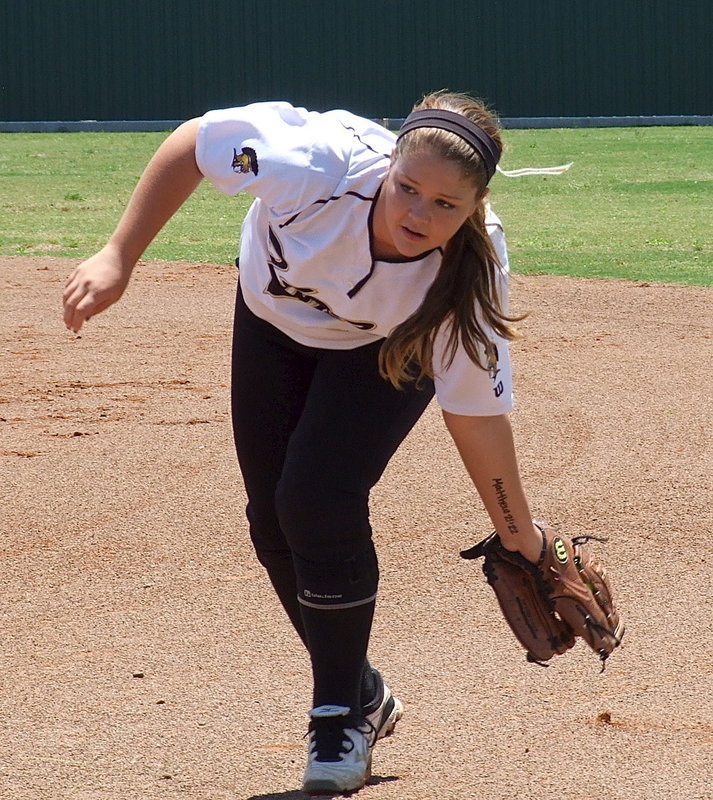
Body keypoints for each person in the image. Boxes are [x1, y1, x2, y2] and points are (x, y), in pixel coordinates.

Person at [62, 90, 546, 795]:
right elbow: (196, 143)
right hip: (271, 320)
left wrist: (519, 536)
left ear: (474, 208)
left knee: (317, 496)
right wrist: (118, 254)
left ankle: (337, 715)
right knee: (272, 522)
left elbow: (474, 415)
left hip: (386, 347)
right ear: (388, 166)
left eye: (444, 205)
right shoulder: (317, 163)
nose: (417, 213)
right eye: (406, 189)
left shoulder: (467, 275)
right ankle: (362, 691)